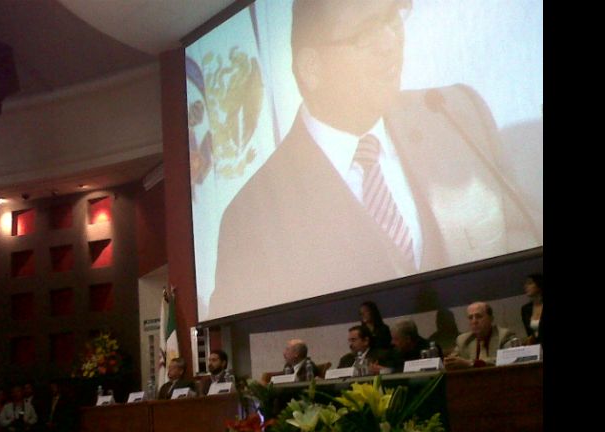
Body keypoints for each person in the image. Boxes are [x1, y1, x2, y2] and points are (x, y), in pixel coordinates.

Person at [208, 0, 540, 319]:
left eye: (393, 15)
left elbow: (524, 238)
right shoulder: (250, 219)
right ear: (311, 68)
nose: (390, 42)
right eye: (365, 33)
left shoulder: (456, 113)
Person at [444, 301, 517, 369]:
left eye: (478, 316)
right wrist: (449, 362)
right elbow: (453, 360)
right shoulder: (462, 340)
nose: (474, 321)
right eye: (470, 318)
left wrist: (471, 363)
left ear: (491, 319)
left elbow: (509, 359)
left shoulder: (504, 335)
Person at [521, 273, 543, 345]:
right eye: (526, 284)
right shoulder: (525, 309)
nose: (526, 286)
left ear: (539, 285)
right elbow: (530, 334)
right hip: (537, 348)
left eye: (530, 283)